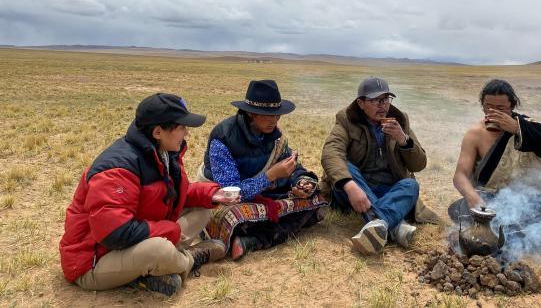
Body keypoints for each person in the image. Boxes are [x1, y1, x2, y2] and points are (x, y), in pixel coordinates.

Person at [59, 93, 238, 296]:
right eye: (181, 127)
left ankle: (160, 266)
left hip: (132, 243)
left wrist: (212, 194)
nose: (187, 132)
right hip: (94, 262)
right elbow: (114, 234)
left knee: (203, 208)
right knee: (159, 250)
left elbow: (173, 193)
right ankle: (189, 259)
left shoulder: (162, 152)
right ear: (158, 132)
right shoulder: (117, 169)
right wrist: (170, 231)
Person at [197, 80, 327, 260]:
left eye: (277, 115)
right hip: (226, 197)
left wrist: (302, 182)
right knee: (234, 216)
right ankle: (258, 234)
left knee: (316, 197)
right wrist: (270, 176)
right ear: (251, 113)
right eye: (267, 115)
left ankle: (252, 240)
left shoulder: (276, 137)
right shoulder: (223, 137)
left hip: (264, 194)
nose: (274, 121)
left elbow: (293, 167)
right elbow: (230, 193)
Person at [450, 79, 541, 256]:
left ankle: (504, 237)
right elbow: (460, 175)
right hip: (490, 199)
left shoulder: (528, 129)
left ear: (512, 106)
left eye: (501, 108)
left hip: (530, 199)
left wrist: (518, 130)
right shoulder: (475, 134)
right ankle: (517, 237)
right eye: (488, 107)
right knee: (460, 209)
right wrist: (474, 199)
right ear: (482, 106)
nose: (493, 112)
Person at [320, 76, 440, 255]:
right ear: (361, 103)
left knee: (411, 185)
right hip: (357, 188)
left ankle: (379, 223)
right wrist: (350, 186)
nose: (383, 105)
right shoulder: (347, 119)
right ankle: (395, 227)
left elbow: (419, 164)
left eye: (386, 99)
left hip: (387, 188)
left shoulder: (400, 120)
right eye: (375, 100)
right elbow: (331, 152)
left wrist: (403, 140)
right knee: (346, 166)